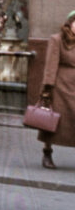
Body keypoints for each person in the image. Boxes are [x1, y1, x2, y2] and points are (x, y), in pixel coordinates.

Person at [38, 11, 75, 169]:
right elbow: (50, 66)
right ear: (70, 23)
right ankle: (47, 153)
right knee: (51, 121)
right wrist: (47, 88)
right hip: (60, 87)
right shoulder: (57, 39)